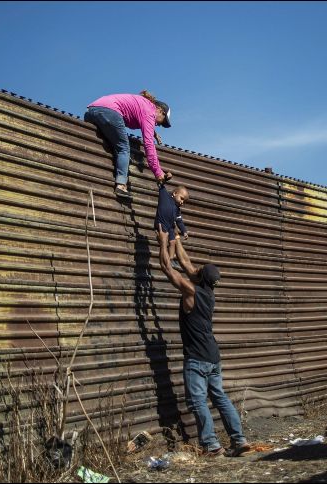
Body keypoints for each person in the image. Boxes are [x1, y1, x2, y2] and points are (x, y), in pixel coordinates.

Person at [156, 224, 252, 457]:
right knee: (220, 397)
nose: (195, 267)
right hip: (213, 357)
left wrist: (163, 240)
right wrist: (176, 237)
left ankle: (211, 445)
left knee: (198, 401)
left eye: (198, 269)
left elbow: (167, 267)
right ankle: (239, 440)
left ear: (199, 277)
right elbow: (186, 262)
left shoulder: (191, 291)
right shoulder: (208, 292)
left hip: (197, 359)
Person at [84, 90, 173, 199]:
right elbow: (149, 144)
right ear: (159, 110)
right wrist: (158, 172)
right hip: (109, 112)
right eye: (163, 121)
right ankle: (121, 185)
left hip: (91, 110)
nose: (159, 125)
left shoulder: (145, 105)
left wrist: (153, 132)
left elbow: (138, 115)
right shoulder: (150, 112)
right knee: (124, 148)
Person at [155, 183, 190, 271]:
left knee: (173, 242)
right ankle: (165, 259)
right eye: (181, 198)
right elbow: (161, 184)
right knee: (164, 240)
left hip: (170, 226)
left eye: (184, 202)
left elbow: (179, 221)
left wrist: (184, 231)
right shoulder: (165, 197)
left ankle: (171, 259)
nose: (182, 202)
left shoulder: (177, 210)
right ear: (174, 193)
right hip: (161, 224)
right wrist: (163, 179)